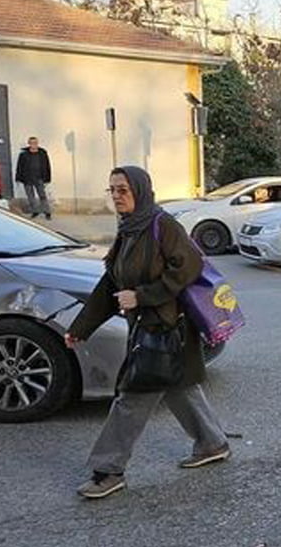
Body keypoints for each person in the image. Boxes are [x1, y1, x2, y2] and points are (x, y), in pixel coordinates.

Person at [66, 166, 230, 500]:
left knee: (132, 398)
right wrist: (81, 328)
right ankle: (212, 443)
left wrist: (142, 296)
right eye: (111, 190)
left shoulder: (161, 225)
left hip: (167, 329)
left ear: (140, 190)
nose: (115, 196)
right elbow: (111, 283)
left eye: (122, 190)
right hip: (150, 327)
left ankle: (108, 470)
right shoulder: (129, 228)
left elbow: (189, 267)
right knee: (178, 386)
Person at [15, 136, 53, 218]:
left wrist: (47, 178)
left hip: (39, 178)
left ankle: (47, 211)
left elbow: (47, 166)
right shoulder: (23, 154)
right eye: (32, 143)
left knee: (42, 195)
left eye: (35, 143)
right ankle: (35, 211)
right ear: (29, 144)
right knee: (30, 196)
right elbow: (19, 166)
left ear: (37, 143)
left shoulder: (42, 153)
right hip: (27, 178)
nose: (33, 145)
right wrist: (18, 178)